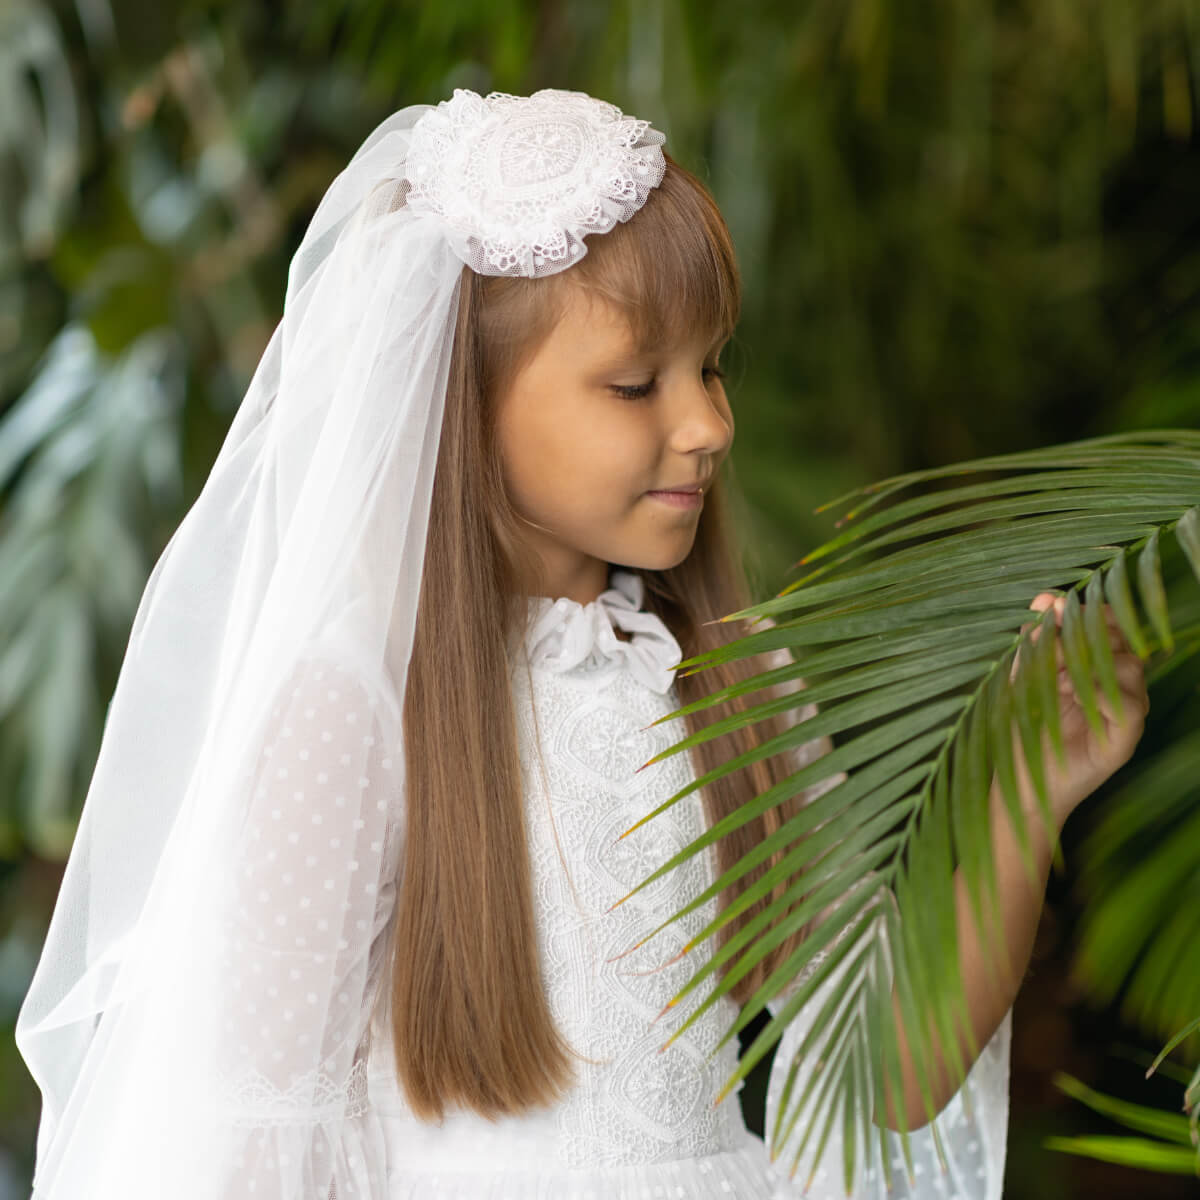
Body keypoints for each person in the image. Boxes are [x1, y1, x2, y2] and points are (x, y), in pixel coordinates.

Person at [14, 88, 1147, 1200]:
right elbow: (253, 1147)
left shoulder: (729, 675)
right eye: (632, 383)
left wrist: (1024, 795)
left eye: (710, 366)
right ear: (459, 398)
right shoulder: (357, 703)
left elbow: (883, 1071)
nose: (709, 424)